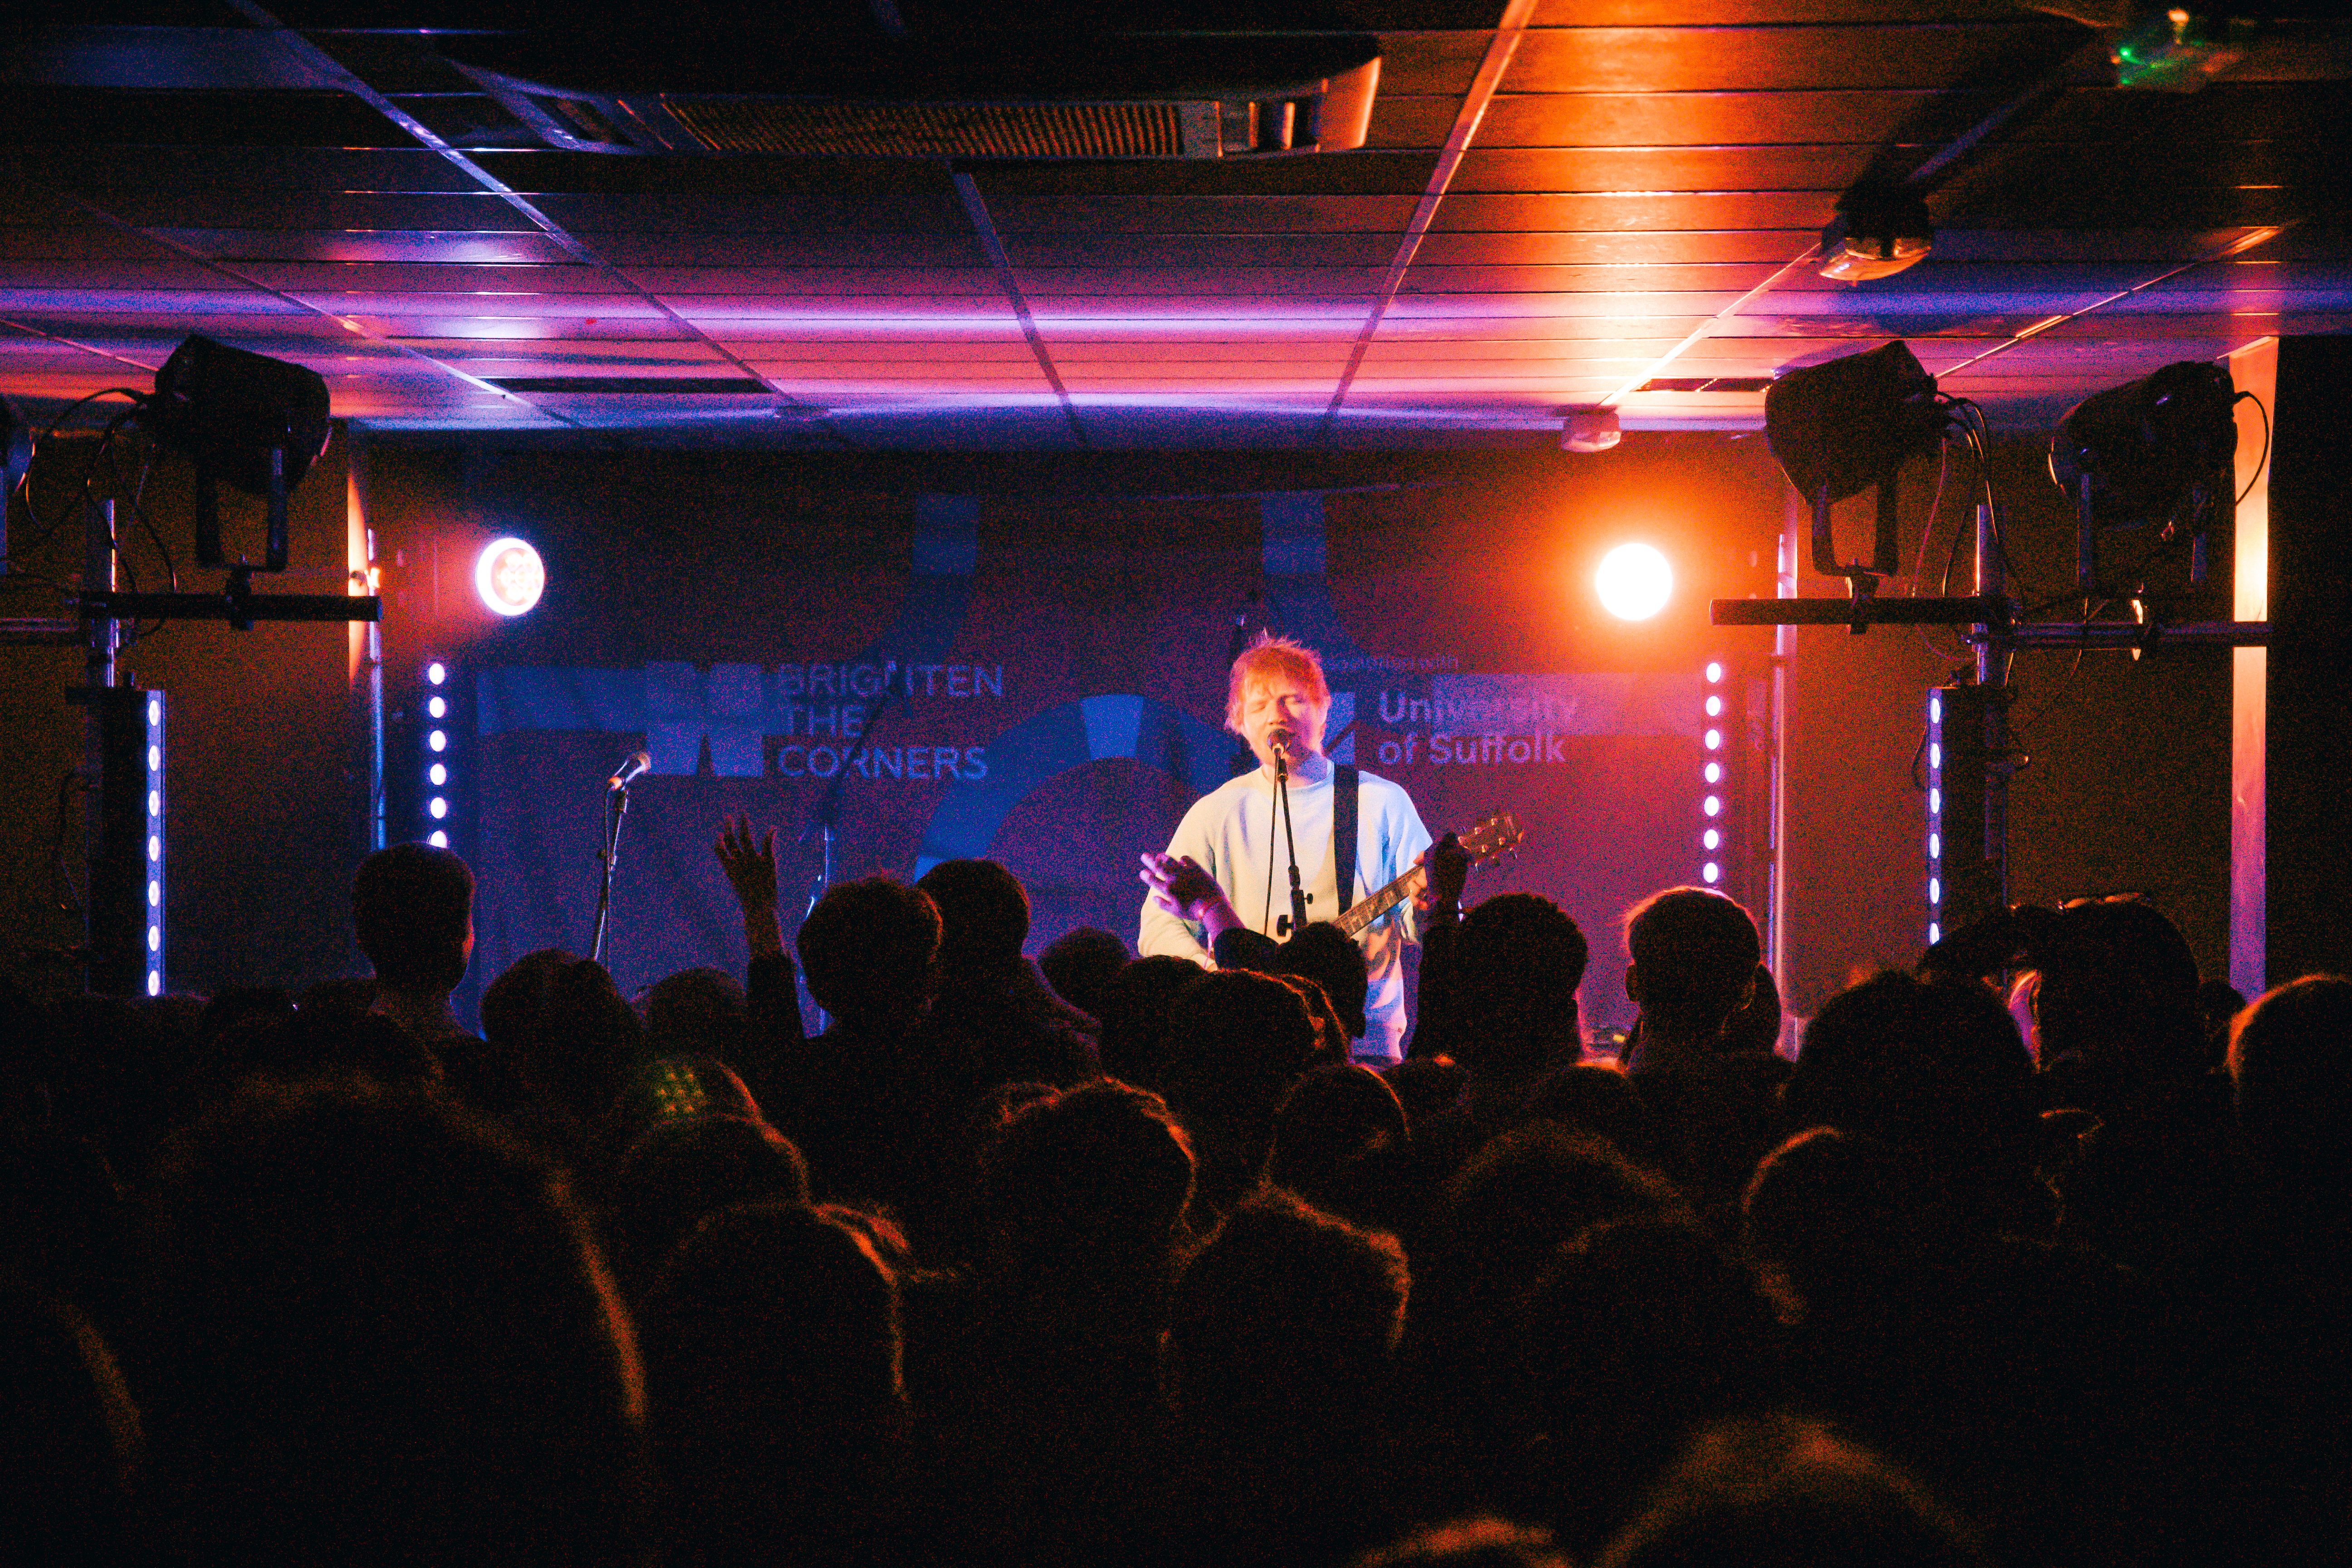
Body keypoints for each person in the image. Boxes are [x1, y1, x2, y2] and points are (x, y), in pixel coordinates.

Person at [1138, 634, 1432, 1059]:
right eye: (1259, 706)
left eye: (1293, 700)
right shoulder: (1214, 812)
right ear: (1239, 724)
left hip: (1362, 1046)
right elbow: (1158, 928)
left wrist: (1426, 907)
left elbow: (1417, 921)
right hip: (1241, 1044)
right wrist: (1220, 972)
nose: (1277, 715)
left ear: (1324, 709)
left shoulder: (1381, 801)